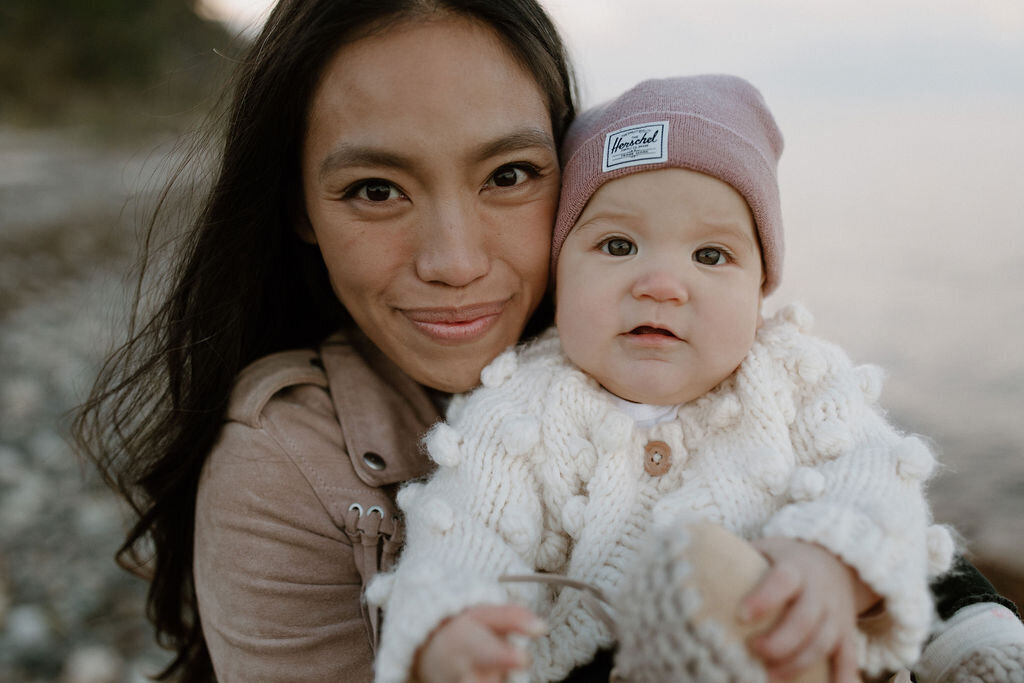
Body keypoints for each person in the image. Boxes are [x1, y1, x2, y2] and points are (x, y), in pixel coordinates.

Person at [71, 1, 1021, 681]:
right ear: (300, 210)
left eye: (510, 174)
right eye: (375, 189)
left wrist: (862, 579)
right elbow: (463, 540)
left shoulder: (743, 357)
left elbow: (877, 483)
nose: (451, 260)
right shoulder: (290, 466)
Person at [370, 76, 1024, 683]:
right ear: (558, 268)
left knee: (933, 584)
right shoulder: (518, 411)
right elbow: (465, 531)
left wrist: (834, 563)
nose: (659, 283)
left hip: (783, 643)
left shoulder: (792, 377)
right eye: (618, 245)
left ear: (760, 287)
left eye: (711, 255)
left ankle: (977, 643)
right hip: (601, 661)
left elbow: (875, 476)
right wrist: (449, 626)